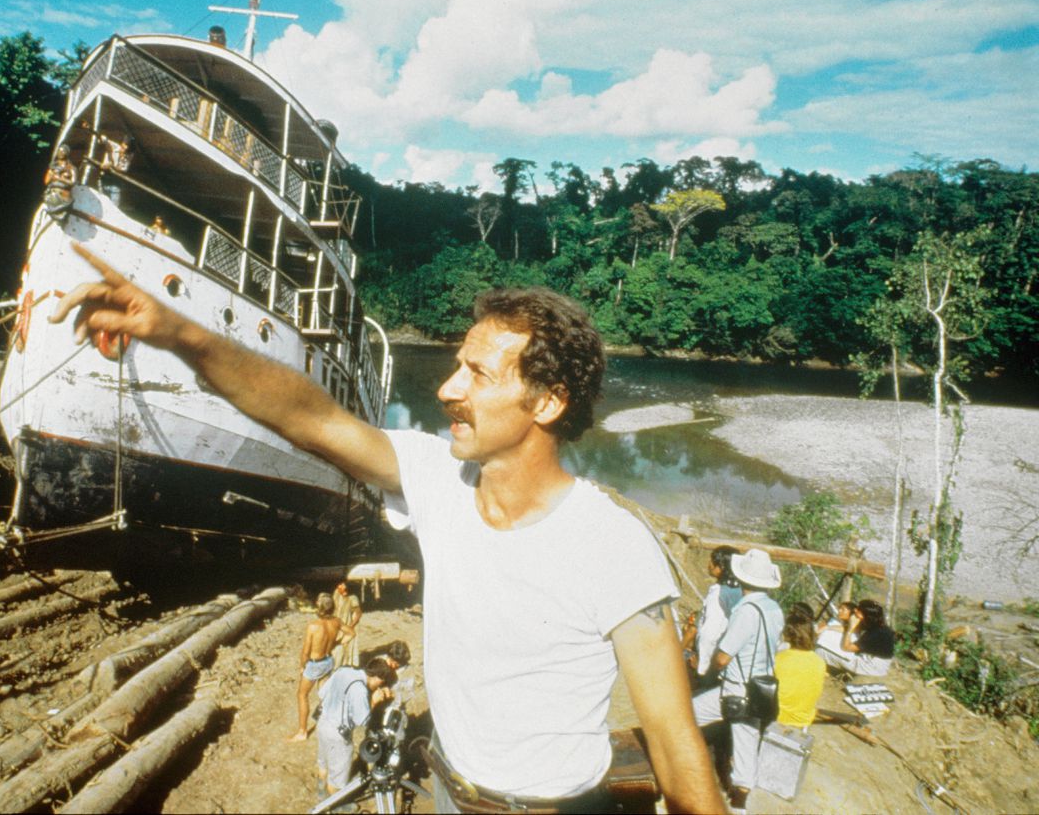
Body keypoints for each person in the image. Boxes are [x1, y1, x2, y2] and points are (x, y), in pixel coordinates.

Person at [50, 248, 725, 813]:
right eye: (457, 364)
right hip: (445, 792)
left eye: (477, 374)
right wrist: (181, 333)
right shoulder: (439, 481)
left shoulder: (611, 546)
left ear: (547, 402)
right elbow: (309, 418)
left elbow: (673, 742)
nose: (447, 389)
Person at [691, 548, 785, 813]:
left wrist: (708, 664)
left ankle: (687, 769)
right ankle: (739, 800)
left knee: (688, 715)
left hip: (737, 687)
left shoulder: (746, 611)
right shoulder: (774, 608)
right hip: (760, 685)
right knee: (746, 741)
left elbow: (723, 657)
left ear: (742, 577)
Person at [316, 657, 396, 798]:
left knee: (323, 762)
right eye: (380, 683)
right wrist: (373, 701)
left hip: (323, 723)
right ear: (376, 677)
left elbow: (321, 693)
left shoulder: (344, 671)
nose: (378, 686)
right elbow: (362, 720)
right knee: (337, 779)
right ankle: (336, 804)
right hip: (338, 735)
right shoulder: (359, 690)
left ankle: (320, 789)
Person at [682, 545, 742, 682]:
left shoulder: (718, 594)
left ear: (720, 567)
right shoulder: (739, 591)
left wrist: (702, 666)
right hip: (727, 655)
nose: (708, 564)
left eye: (712, 561)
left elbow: (709, 633)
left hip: (710, 659)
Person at [291, 592, 342, 742]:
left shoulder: (313, 626)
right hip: (328, 660)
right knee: (325, 694)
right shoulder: (336, 622)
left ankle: (302, 732)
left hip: (315, 663)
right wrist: (338, 643)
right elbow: (350, 633)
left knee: (302, 695)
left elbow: (305, 651)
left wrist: (302, 666)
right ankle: (331, 725)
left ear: (318, 607)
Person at [816, 599, 895, 676]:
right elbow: (849, 628)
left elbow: (846, 647)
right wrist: (828, 627)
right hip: (873, 661)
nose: (855, 610)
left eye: (858, 610)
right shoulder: (877, 625)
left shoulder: (876, 633)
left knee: (820, 651)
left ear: (865, 615)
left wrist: (850, 629)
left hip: (872, 667)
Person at [774, 610, 827, 728]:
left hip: (778, 717)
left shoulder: (780, 658)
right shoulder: (819, 662)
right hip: (804, 719)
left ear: (786, 635)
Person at [331, 581, 362, 668]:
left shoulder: (353, 598)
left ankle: (347, 665)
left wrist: (350, 626)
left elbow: (358, 613)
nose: (340, 587)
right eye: (339, 584)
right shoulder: (336, 594)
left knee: (348, 645)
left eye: (342, 585)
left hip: (348, 624)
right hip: (338, 624)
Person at [42, 144, 76, 214]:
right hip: (53, 194)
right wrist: (52, 174)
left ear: (67, 153)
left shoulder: (71, 168)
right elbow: (46, 181)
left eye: (63, 151)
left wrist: (60, 179)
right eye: (59, 151)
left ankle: (60, 208)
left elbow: (73, 182)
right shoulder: (53, 167)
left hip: (64, 196)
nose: (60, 153)